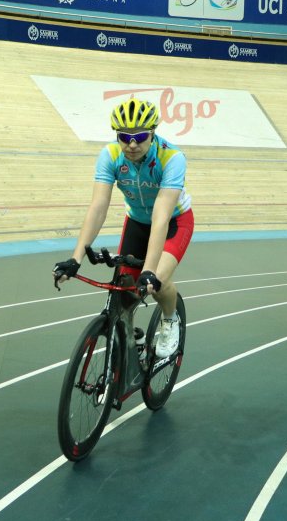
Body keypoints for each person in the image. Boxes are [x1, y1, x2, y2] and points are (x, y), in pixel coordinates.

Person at [52, 98, 194, 357]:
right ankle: (132, 338)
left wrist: (149, 270)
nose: (132, 144)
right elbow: (98, 207)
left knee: (157, 280)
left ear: (153, 133)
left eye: (140, 137)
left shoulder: (172, 158)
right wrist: (76, 258)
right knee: (124, 293)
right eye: (125, 137)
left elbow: (161, 217)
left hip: (174, 222)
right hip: (137, 222)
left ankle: (170, 318)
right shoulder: (110, 156)